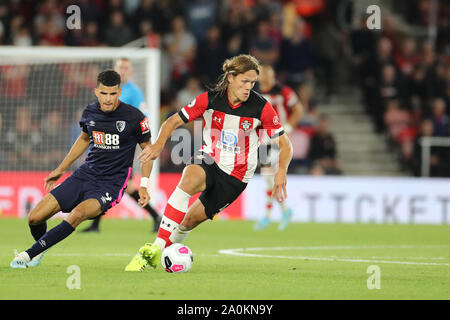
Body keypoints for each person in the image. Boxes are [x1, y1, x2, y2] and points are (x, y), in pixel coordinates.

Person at [125, 54, 293, 271]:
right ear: (231, 77)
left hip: (236, 177)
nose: (249, 87)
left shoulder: (261, 107)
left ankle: (163, 251)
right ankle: (155, 247)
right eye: (244, 81)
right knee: (190, 177)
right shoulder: (209, 99)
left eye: (252, 83)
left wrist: (281, 170)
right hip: (210, 158)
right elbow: (173, 120)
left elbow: (285, 144)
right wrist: (157, 145)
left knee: (188, 222)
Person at [10, 70, 153, 268]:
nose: (108, 99)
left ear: (119, 93)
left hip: (111, 184)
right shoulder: (89, 112)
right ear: (96, 92)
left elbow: (149, 150)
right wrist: (61, 168)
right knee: (35, 217)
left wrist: (144, 185)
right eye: (104, 93)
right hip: (85, 174)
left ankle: (28, 255)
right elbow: (84, 139)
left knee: (76, 215)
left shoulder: (134, 117)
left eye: (113, 94)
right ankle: (40, 249)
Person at [82, 57, 161, 233]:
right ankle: (96, 224)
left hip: (124, 147)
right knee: (111, 182)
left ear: (131, 72)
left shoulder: (134, 92)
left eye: (126, 68)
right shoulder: (111, 90)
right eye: (120, 67)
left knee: (123, 184)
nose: (123, 71)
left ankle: (156, 216)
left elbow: (143, 118)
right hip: (108, 144)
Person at [253, 64, 302, 231]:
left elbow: (298, 109)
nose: (266, 78)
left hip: (277, 138)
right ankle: (283, 211)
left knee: (269, 176)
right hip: (263, 140)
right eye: (264, 75)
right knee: (268, 178)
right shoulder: (255, 92)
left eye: (269, 74)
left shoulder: (283, 91)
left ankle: (268, 215)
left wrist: (288, 127)